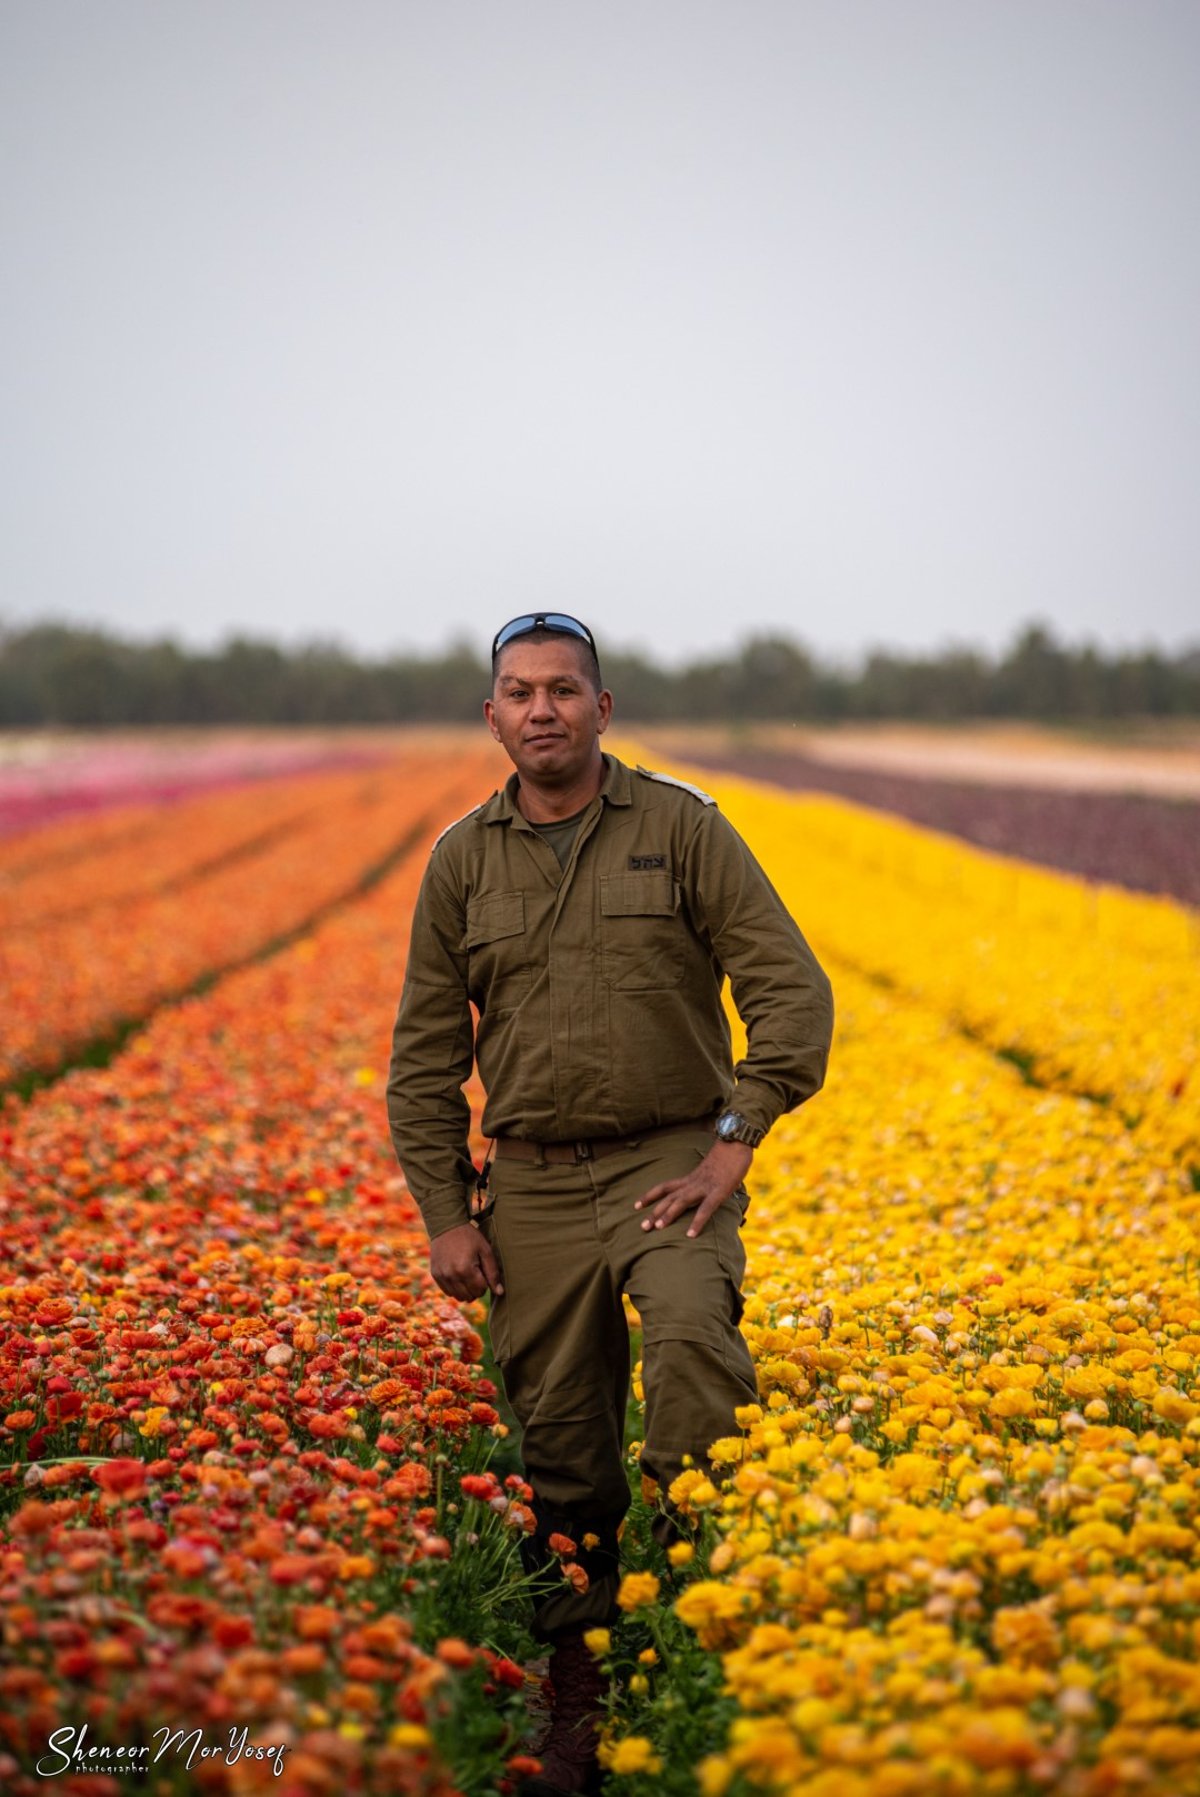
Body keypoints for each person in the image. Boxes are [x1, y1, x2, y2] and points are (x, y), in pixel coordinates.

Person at [387, 612, 834, 1796]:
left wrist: (735, 1141)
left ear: (604, 707)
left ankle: (687, 1612)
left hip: (669, 1167)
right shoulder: (459, 860)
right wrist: (447, 1211)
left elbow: (790, 992)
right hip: (526, 1181)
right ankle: (578, 1677)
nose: (543, 710)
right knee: (562, 1446)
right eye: (519, 692)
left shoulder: (682, 828)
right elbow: (425, 1058)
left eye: (565, 691)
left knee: (693, 1345)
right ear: (491, 715)